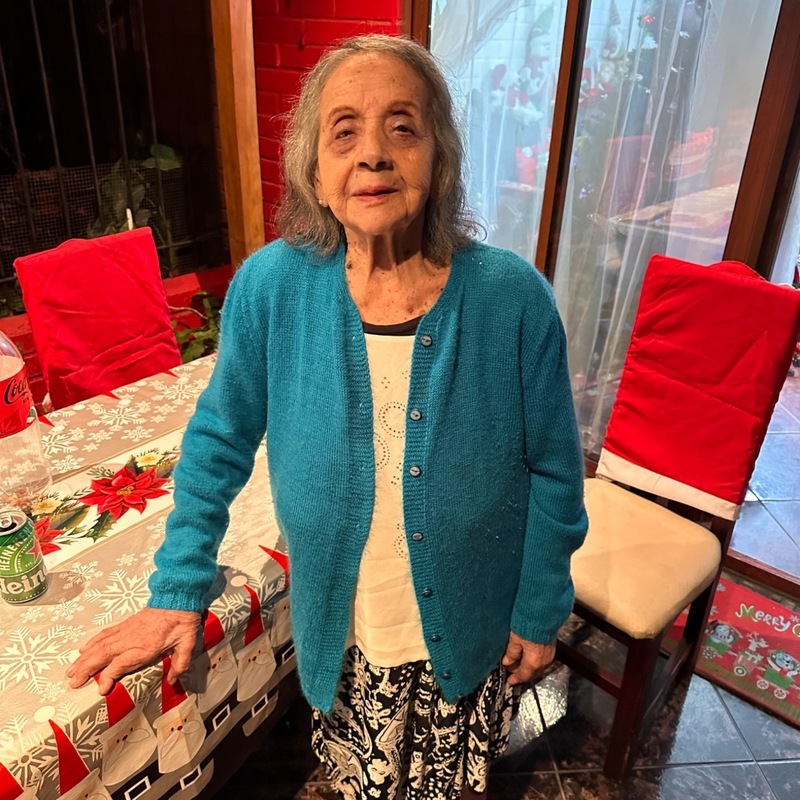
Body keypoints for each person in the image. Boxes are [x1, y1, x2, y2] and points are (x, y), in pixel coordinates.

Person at [67, 34, 588, 800]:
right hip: (345, 633)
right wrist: (178, 585)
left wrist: (540, 611)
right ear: (315, 169)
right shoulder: (271, 288)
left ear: (440, 157)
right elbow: (218, 439)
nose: (372, 153)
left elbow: (556, 470)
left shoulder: (512, 298)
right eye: (344, 132)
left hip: (469, 628)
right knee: (359, 780)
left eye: (402, 127)